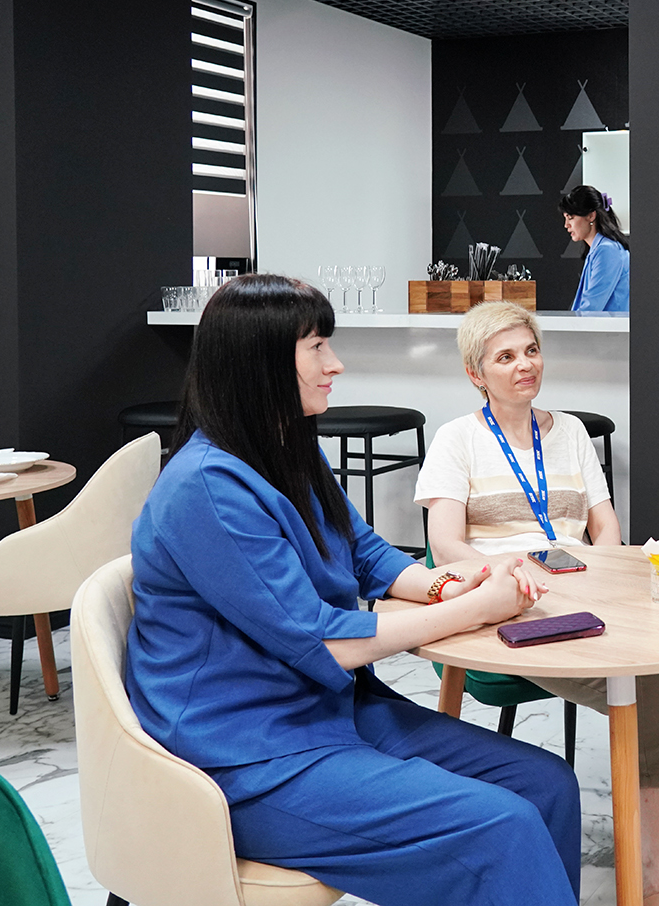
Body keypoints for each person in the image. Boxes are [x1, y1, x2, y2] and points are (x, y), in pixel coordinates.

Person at [125, 274, 581, 906]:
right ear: (260, 364)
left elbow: (367, 554)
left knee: (547, 785)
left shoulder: (285, 449)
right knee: (502, 827)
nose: (335, 364)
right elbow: (324, 642)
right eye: (317, 347)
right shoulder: (206, 488)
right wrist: (477, 607)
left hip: (331, 711)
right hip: (248, 757)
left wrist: (452, 581)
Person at [415, 301, 659, 906]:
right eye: (505, 357)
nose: (525, 365)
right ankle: (657, 874)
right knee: (654, 683)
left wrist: (601, 579)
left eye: (531, 351)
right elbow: (444, 544)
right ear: (475, 373)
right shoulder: (456, 439)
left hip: (583, 599)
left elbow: (605, 527)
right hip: (507, 609)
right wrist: (509, 574)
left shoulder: (570, 432)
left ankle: (655, 864)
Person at [562, 184, 630, 311]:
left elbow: (591, 307)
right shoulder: (599, 249)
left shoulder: (607, 250)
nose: (566, 225)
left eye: (570, 218)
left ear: (591, 216)